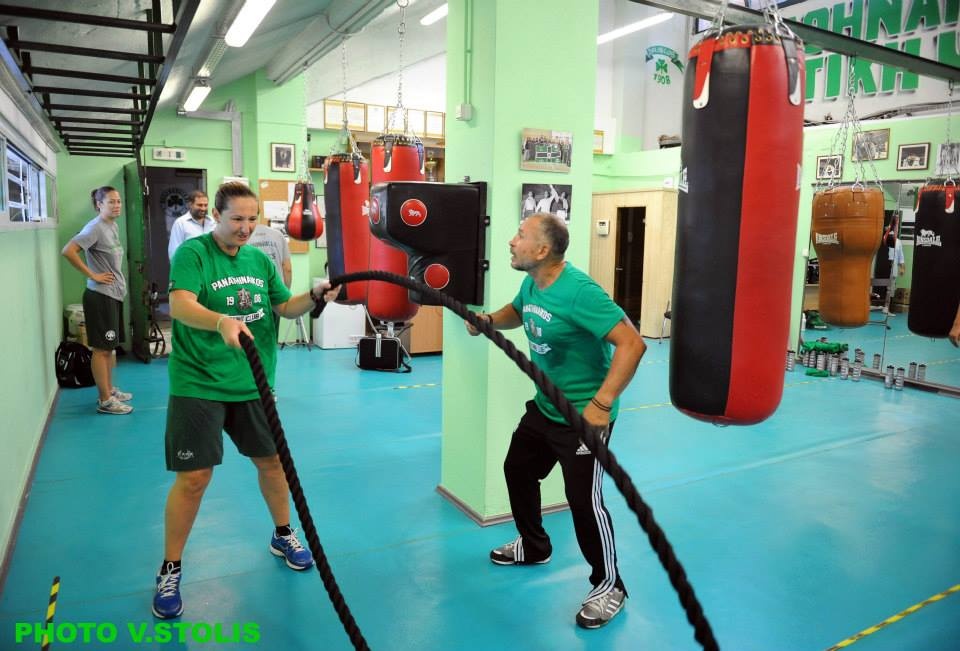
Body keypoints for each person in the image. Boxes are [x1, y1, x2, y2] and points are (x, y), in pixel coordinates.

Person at [152, 182, 339, 620]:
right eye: (236, 219)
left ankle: (282, 533)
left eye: (252, 219)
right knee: (195, 477)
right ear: (216, 215)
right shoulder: (194, 254)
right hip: (198, 382)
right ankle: (171, 566)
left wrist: (313, 298)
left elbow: (284, 308)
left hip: (253, 383)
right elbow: (180, 306)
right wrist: (220, 322)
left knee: (271, 462)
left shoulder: (259, 258)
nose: (245, 227)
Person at [464, 212, 646, 629]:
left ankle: (610, 585)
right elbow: (518, 309)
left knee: (585, 503)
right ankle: (534, 545)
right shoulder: (534, 281)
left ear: (543, 250)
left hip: (583, 417)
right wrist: (491, 320)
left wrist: (602, 404)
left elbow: (632, 344)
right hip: (546, 405)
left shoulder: (579, 291)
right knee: (518, 469)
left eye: (520, 235)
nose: (511, 241)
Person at [61, 186, 134, 415]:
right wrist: (92, 275)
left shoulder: (111, 225)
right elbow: (68, 250)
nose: (117, 205)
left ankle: (109, 389)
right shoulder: (94, 228)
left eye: (119, 201)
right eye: (111, 202)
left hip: (113, 294)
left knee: (109, 348)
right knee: (101, 350)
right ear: (99, 205)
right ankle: (105, 401)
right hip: (100, 297)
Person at [167, 191, 213, 259]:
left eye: (205, 205)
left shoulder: (213, 222)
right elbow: (174, 252)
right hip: (190, 267)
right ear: (190, 204)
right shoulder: (180, 223)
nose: (203, 208)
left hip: (210, 267)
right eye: (199, 205)